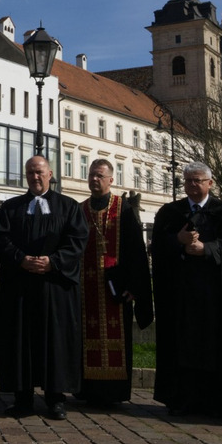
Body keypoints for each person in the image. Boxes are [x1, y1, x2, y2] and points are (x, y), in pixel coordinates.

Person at [151, 162, 222, 419]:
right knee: (182, 346)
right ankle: (182, 399)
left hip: (216, 295)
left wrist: (207, 249)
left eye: (197, 181)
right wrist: (178, 240)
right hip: (181, 295)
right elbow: (158, 248)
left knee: (216, 346)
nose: (192, 186)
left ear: (210, 183)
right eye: (188, 181)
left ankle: (218, 401)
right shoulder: (171, 213)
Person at [0, 155, 89, 421]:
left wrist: (53, 262)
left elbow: (77, 240)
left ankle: (56, 398)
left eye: (40, 172)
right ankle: (22, 397)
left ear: (50, 174)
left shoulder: (69, 207)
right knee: (21, 338)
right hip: (20, 285)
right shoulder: (11, 207)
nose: (35, 177)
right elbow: (0, 238)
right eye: (31, 173)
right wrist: (20, 259)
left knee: (54, 339)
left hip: (55, 286)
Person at [78, 160, 153, 408]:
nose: (94, 180)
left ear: (111, 180)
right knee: (85, 336)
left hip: (116, 286)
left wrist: (134, 286)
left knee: (117, 335)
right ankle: (87, 390)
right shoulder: (81, 209)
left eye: (99, 175)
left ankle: (114, 392)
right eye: (91, 175)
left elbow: (136, 251)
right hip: (86, 287)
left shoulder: (123, 209)